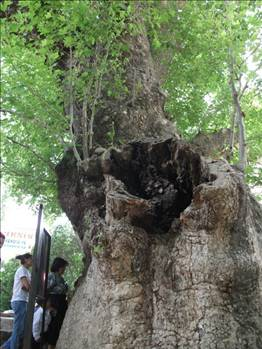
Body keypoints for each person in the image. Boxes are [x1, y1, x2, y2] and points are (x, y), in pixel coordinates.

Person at [2, 252, 33, 349]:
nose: (32, 261)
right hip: (19, 301)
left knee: (21, 329)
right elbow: (26, 286)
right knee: (18, 328)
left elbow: (28, 287)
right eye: (31, 259)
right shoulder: (22, 270)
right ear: (26, 260)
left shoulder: (27, 272)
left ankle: (6, 347)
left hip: (23, 301)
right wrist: (29, 288)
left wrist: (29, 288)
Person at [46, 257, 69, 349]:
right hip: (55, 303)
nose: (64, 269)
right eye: (64, 267)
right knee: (54, 328)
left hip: (61, 303)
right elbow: (45, 291)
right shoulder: (52, 276)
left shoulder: (61, 278)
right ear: (59, 267)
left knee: (59, 326)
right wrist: (49, 307)